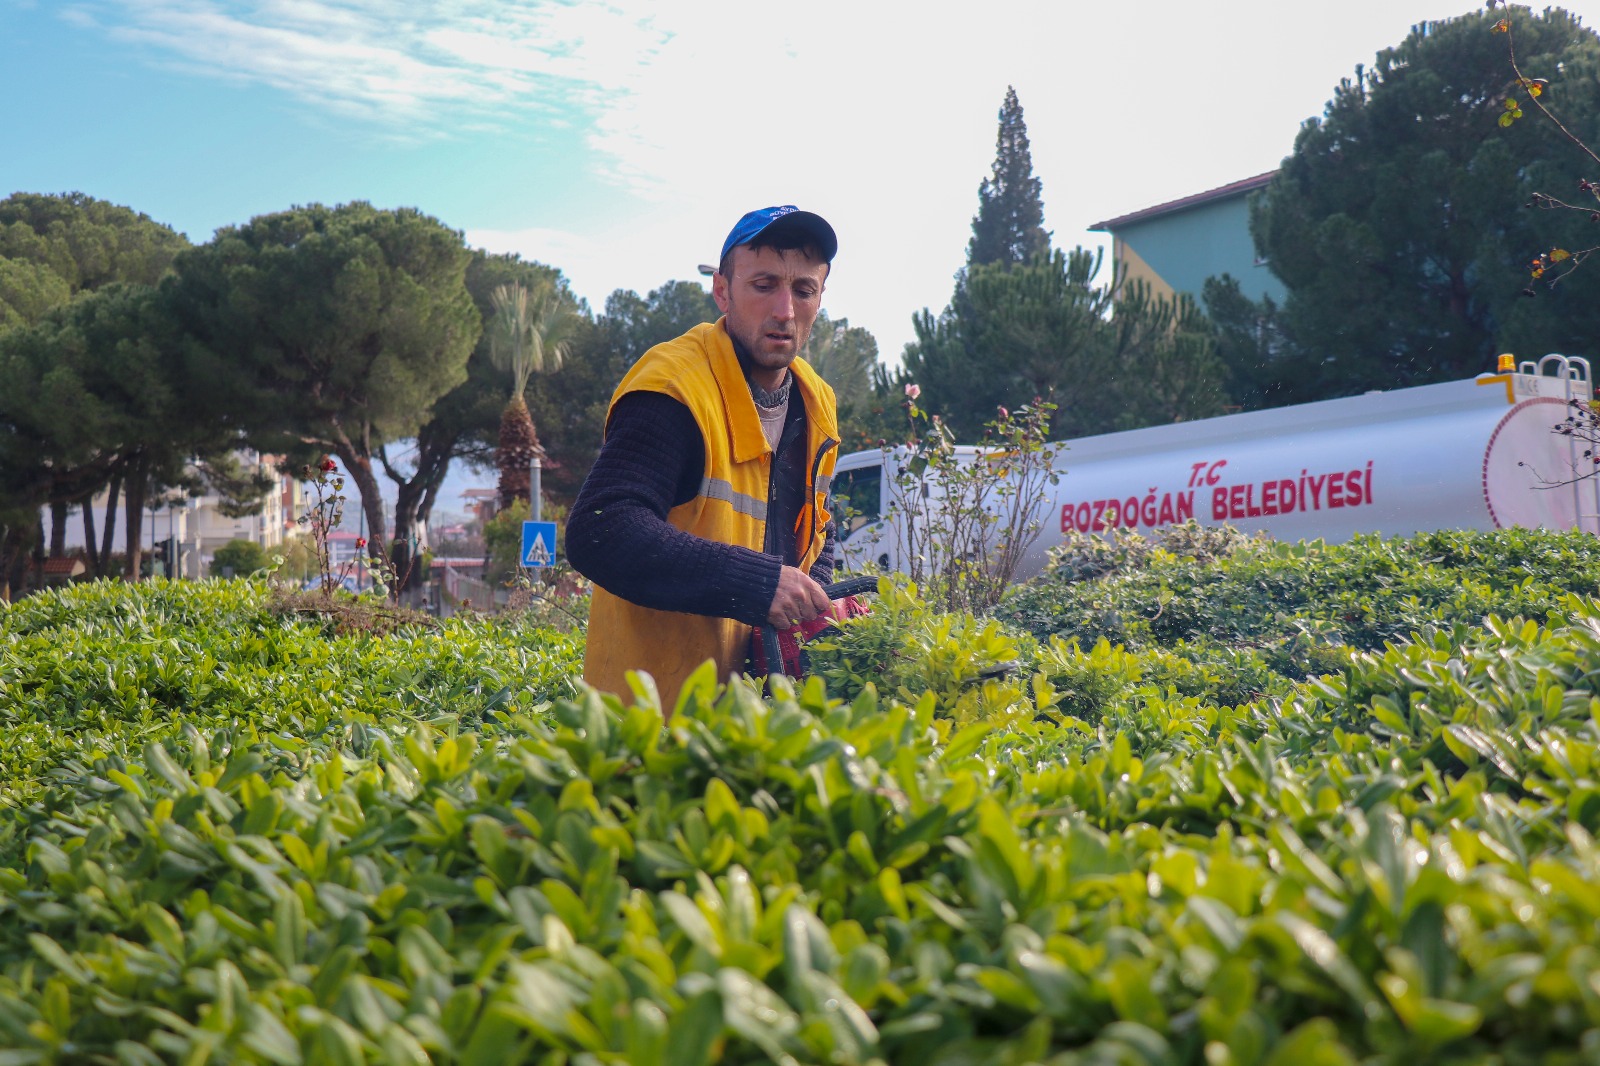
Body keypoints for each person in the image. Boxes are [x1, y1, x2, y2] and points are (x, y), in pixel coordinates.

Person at [567, 206, 842, 708]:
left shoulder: (817, 402)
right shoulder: (675, 388)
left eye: (803, 290)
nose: (785, 309)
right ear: (722, 291)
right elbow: (601, 529)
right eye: (763, 285)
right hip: (650, 729)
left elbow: (820, 532)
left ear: (819, 299)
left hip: (765, 730)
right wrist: (758, 584)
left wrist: (817, 597)